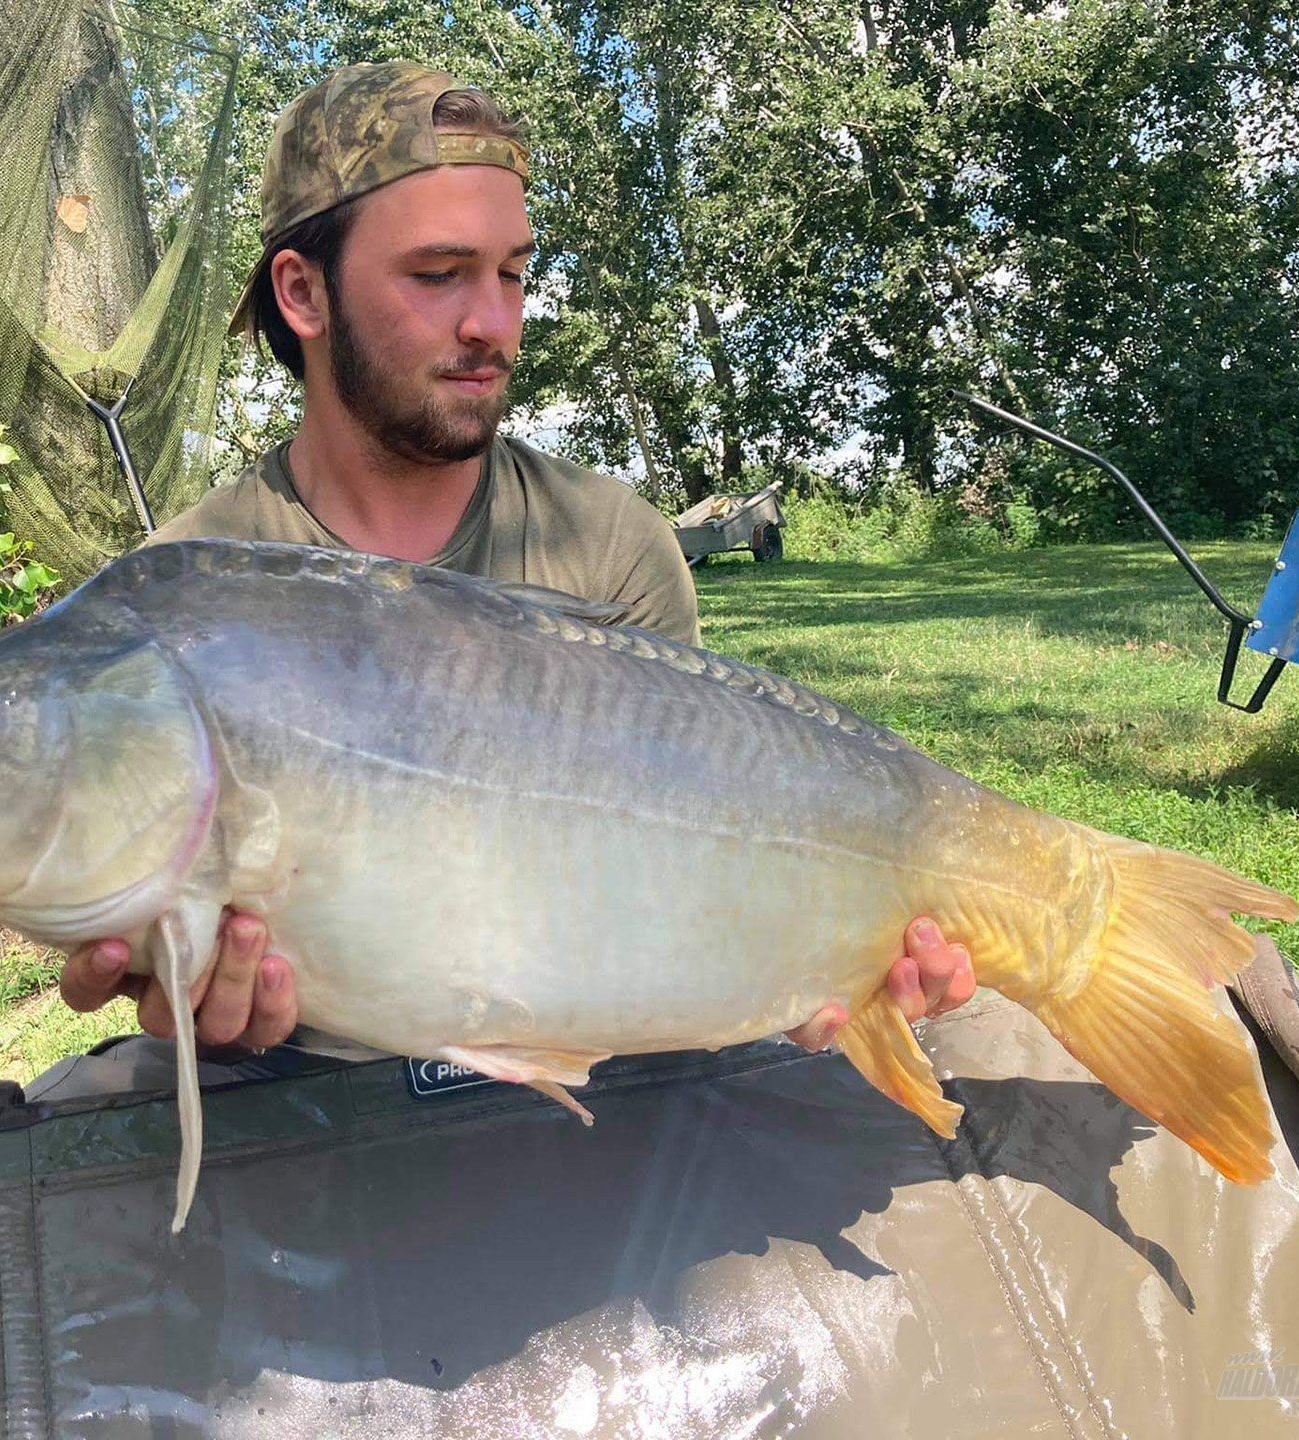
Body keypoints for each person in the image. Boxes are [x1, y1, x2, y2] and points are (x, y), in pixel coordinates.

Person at [57, 61, 976, 1059]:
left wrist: (801, 962)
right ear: (303, 292)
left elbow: (674, 899)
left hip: (585, 1129)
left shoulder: (613, 544)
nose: (493, 324)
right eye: (438, 273)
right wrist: (197, 1013)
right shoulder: (186, 595)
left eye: (512, 273)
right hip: (302, 1142)